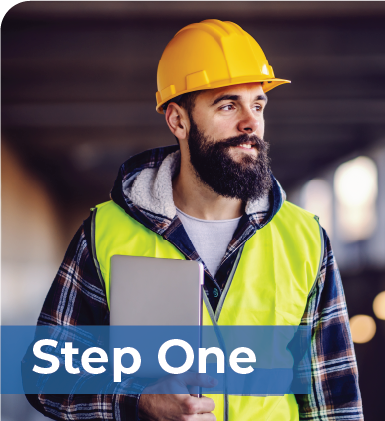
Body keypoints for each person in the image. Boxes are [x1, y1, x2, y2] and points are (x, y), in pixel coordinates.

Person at [25, 19, 363, 420]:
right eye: (227, 105)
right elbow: (46, 378)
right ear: (178, 121)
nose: (250, 122)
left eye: (257, 104)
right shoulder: (104, 234)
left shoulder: (305, 239)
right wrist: (139, 401)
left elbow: (334, 402)